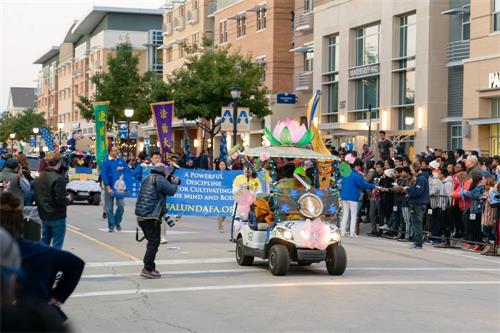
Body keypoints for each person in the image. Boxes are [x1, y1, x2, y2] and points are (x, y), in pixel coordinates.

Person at [0, 191, 84, 327]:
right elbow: (76, 264)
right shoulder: (39, 252)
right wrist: (58, 297)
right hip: (34, 319)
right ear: (19, 219)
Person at [135, 163, 179, 279]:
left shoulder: (147, 178)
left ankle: (151, 266)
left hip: (141, 215)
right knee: (154, 242)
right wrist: (175, 183)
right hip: (151, 216)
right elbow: (171, 191)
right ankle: (147, 268)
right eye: (166, 171)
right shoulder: (159, 179)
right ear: (161, 171)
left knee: (152, 242)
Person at [33, 151, 69, 249]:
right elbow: (60, 199)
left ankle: (43, 261)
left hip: (43, 212)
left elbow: (35, 192)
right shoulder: (58, 178)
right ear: (59, 162)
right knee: (57, 243)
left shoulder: (40, 175)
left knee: (45, 240)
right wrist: (69, 200)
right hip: (57, 214)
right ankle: (53, 262)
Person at [394, 161, 430, 249]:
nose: (411, 171)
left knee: (417, 223)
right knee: (415, 223)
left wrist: (408, 189)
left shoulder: (421, 179)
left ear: (415, 169)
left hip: (418, 203)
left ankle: (418, 243)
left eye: (412, 169)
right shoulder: (420, 178)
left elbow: (418, 192)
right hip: (417, 203)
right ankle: (416, 241)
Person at [340, 158, 375, 237]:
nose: (359, 168)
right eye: (359, 167)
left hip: (344, 196)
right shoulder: (356, 175)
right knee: (353, 215)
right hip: (353, 197)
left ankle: (343, 231)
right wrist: (373, 186)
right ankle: (352, 233)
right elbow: (364, 184)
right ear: (356, 166)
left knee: (345, 214)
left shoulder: (346, 173)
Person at [101, 146, 127, 232]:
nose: (117, 152)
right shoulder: (106, 162)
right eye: (115, 151)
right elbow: (103, 175)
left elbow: (127, 170)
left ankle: (117, 222)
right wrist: (108, 187)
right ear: (110, 152)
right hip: (109, 186)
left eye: (117, 150)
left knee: (121, 205)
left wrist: (123, 168)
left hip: (119, 187)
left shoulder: (121, 160)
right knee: (108, 208)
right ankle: (111, 226)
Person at [217, 160, 229, 232]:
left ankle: (221, 223)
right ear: (219, 166)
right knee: (221, 210)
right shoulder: (216, 174)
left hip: (226, 194)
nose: (222, 166)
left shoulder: (229, 173)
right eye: (221, 165)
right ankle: (220, 226)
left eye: (223, 165)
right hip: (219, 194)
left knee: (226, 211)